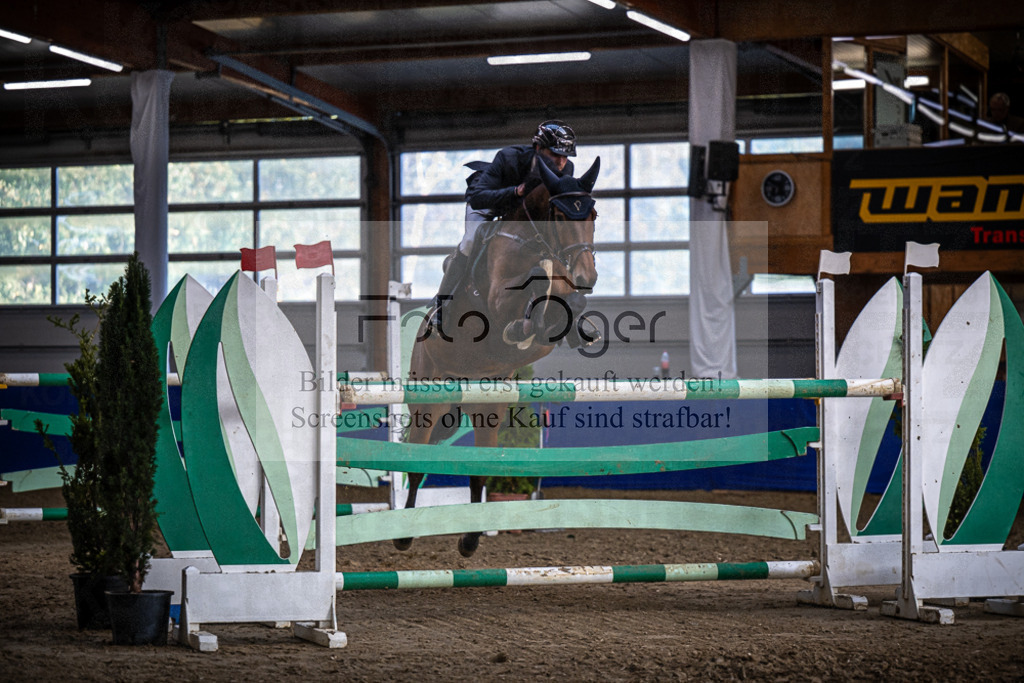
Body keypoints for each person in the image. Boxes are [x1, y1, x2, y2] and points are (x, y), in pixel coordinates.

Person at [430, 120, 577, 323]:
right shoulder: (509, 158)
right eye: (554, 154)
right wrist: (515, 191)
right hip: (487, 201)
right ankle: (443, 304)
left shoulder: (567, 169)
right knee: (471, 240)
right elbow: (479, 197)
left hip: (519, 211)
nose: (561, 162)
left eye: (565, 156)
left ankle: (567, 309)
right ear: (538, 148)